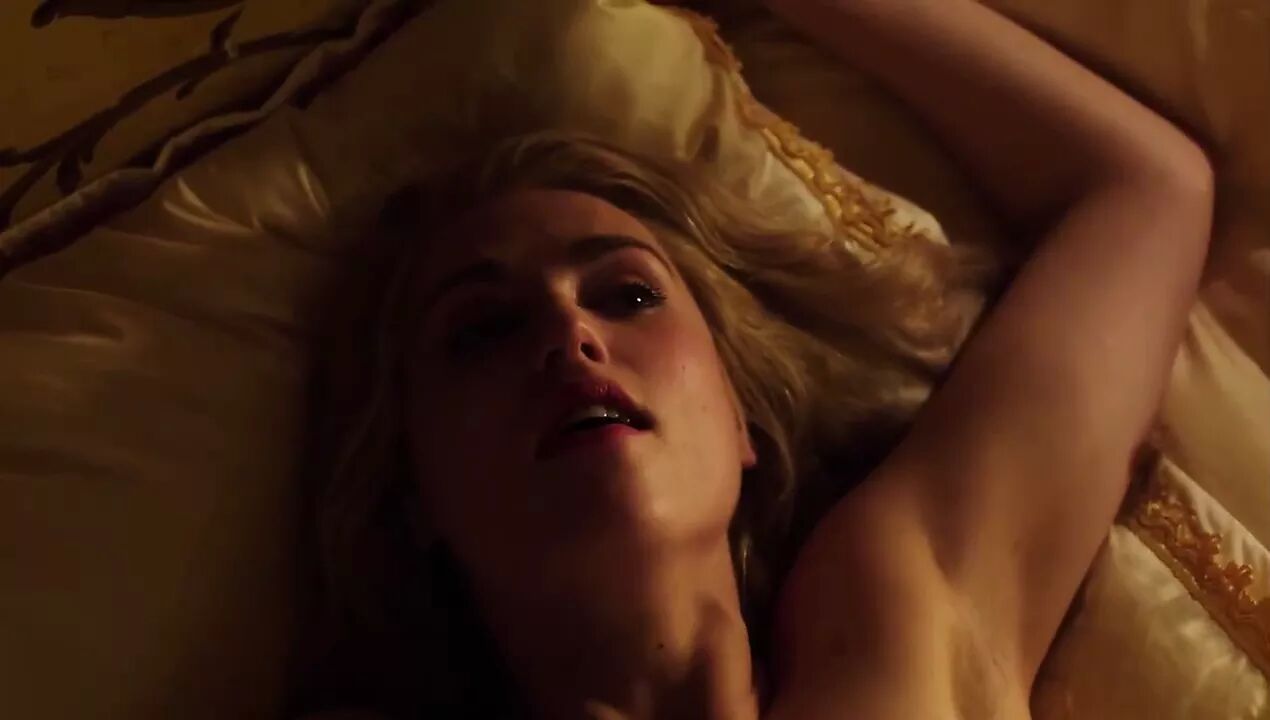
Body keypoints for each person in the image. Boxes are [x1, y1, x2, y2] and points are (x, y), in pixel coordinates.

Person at [296, 0, 1215, 718]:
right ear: (413, 490)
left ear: (738, 415)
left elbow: (1150, 192)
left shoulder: (904, 613)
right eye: (482, 330)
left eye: (629, 294)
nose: (569, 336)